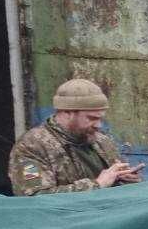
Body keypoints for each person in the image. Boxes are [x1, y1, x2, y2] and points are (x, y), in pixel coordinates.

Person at [8, 79, 141, 196]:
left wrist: (127, 180)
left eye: (100, 118)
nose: (99, 125)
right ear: (66, 113)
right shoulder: (32, 146)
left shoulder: (102, 141)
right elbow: (35, 197)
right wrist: (97, 185)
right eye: (92, 118)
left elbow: (116, 184)